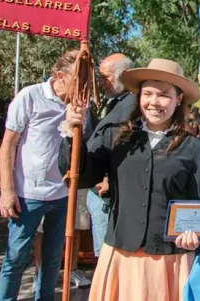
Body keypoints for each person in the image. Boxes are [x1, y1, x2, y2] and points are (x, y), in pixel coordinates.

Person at [59, 58, 200, 301]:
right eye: (147, 93)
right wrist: (71, 133)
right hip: (121, 253)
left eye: (164, 95)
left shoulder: (194, 148)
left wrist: (195, 234)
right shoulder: (116, 137)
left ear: (179, 99)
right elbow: (81, 176)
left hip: (169, 258)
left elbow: (199, 201)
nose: (154, 102)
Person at [0, 50, 81, 300]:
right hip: (28, 193)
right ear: (59, 76)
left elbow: (79, 149)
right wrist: (7, 190)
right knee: (16, 258)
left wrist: (76, 124)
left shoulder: (80, 105)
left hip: (62, 194)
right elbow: (8, 144)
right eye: (79, 80)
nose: (84, 86)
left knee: (53, 258)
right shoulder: (30, 95)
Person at [87, 53, 136, 257]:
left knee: (108, 254)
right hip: (101, 189)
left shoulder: (133, 104)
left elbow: (129, 147)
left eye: (105, 77)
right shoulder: (117, 102)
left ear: (123, 74)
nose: (101, 83)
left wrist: (109, 178)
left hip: (109, 191)